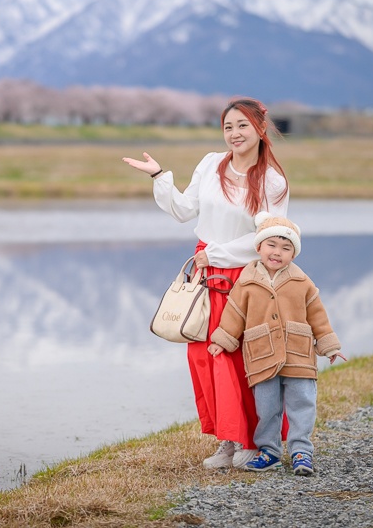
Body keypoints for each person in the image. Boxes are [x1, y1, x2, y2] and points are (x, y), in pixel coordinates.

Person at [122, 97, 289, 469]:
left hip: (244, 277)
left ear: (260, 128)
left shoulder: (272, 181)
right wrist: (158, 176)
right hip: (205, 274)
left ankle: (252, 441)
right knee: (203, 354)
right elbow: (184, 210)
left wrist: (216, 255)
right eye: (228, 127)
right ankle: (226, 441)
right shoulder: (211, 163)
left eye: (242, 125)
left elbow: (271, 238)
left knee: (239, 356)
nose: (234, 134)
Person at [208, 215, 345, 476]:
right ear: (259, 247)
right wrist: (222, 341)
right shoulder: (247, 281)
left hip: (298, 355)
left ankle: (301, 451)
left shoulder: (302, 282)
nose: (277, 252)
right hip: (262, 355)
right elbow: (234, 313)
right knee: (266, 407)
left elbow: (317, 315)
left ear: (294, 253)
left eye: (286, 248)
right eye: (271, 245)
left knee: (302, 403)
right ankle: (269, 452)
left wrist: (329, 345)